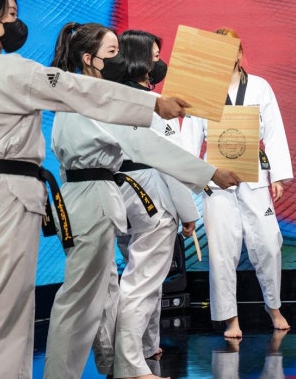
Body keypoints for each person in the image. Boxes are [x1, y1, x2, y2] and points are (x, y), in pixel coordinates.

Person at [0, 0, 188, 379]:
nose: (17, 23)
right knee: (2, 318)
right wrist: (153, 103)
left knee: (0, 314)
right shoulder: (11, 70)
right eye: (10, 15)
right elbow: (82, 91)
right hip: (10, 202)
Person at [43, 23, 240, 379]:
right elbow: (149, 146)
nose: (120, 60)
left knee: (102, 291)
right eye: (112, 53)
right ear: (89, 60)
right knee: (86, 299)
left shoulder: (79, 96)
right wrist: (209, 174)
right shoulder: (94, 99)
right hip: (93, 198)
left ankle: (113, 363)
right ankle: (126, 367)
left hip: (86, 197)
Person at [107, 29, 209, 379]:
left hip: (119, 195)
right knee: (144, 281)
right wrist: (188, 214)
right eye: (153, 56)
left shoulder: (110, 99)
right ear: (137, 59)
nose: (158, 63)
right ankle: (130, 363)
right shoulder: (152, 105)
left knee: (138, 275)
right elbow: (173, 161)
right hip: (151, 193)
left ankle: (147, 346)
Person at [200, 27, 293, 338]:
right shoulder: (205, 91)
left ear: (239, 54)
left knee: (269, 242)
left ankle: (273, 306)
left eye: (231, 50)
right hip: (215, 179)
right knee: (222, 250)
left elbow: (275, 132)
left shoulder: (260, 87)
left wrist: (277, 175)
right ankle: (230, 318)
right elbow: (190, 139)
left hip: (253, 174)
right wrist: (196, 177)